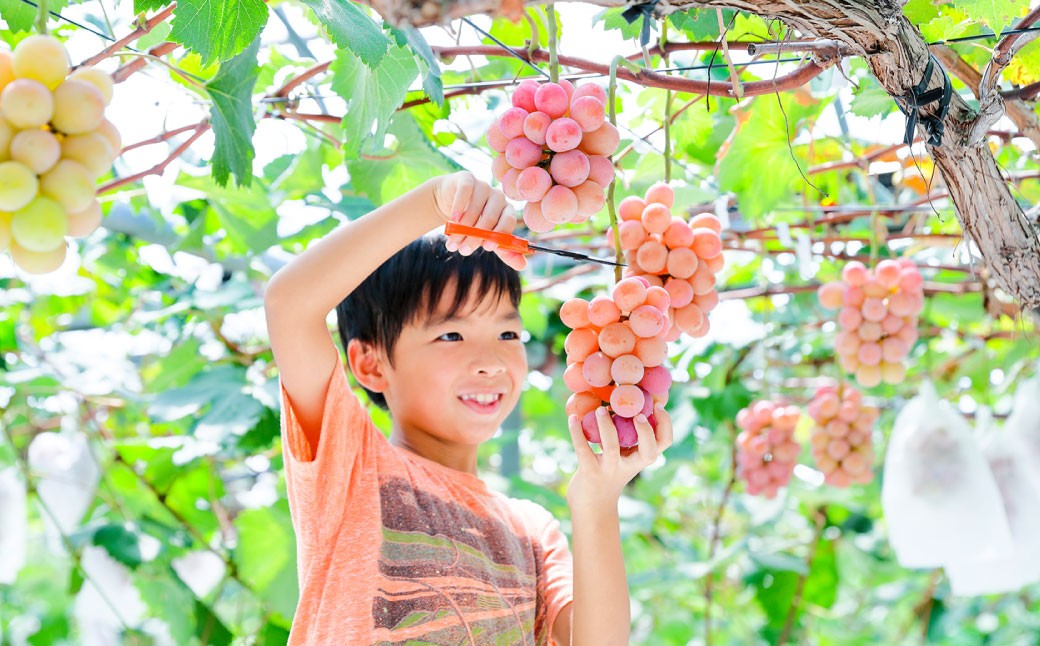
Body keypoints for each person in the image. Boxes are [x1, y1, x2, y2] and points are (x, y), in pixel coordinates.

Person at [263, 171, 673, 645]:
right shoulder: (351, 467)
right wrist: (435, 201)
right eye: (451, 335)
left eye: (507, 334)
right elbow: (288, 304)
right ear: (370, 364)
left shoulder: (532, 532)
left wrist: (597, 500)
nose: (491, 362)